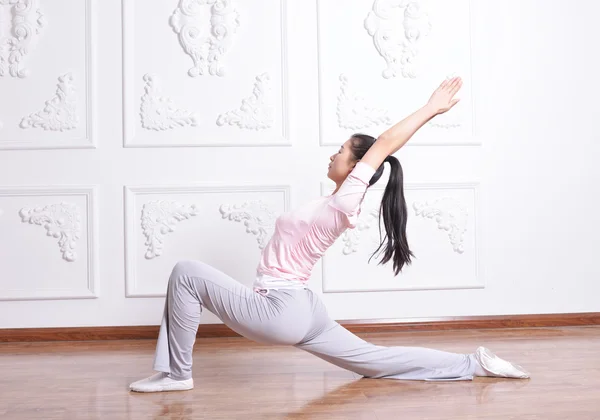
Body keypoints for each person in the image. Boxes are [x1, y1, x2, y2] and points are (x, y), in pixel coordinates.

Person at [129, 77, 529, 393]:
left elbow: (386, 144)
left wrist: (430, 109)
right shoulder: (333, 202)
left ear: (357, 166)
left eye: (340, 151)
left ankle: (176, 374)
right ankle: (472, 364)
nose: (332, 155)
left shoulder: (346, 201)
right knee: (374, 360)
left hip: (280, 309)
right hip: (304, 309)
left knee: (186, 271)